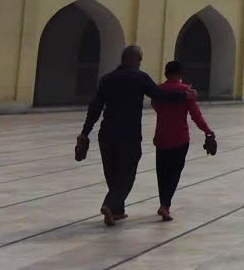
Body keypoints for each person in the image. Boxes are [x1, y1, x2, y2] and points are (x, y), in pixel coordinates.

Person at [78, 45, 194, 226]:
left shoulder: (107, 79)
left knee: (113, 172)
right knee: (126, 173)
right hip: (128, 134)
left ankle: (117, 210)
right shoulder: (139, 78)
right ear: (135, 59)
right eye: (140, 59)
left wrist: (85, 132)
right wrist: (184, 96)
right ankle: (109, 204)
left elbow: (95, 107)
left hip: (106, 133)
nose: (140, 63)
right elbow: (160, 96)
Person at [151, 61, 215, 222]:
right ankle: (165, 205)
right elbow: (196, 116)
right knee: (174, 172)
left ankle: (163, 203)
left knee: (162, 173)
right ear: (181, 74)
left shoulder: (159, 90)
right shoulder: (187, 92)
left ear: (166, 73)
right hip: (179, 138)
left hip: (161, 137)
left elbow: (156, 106)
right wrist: (208, 131)